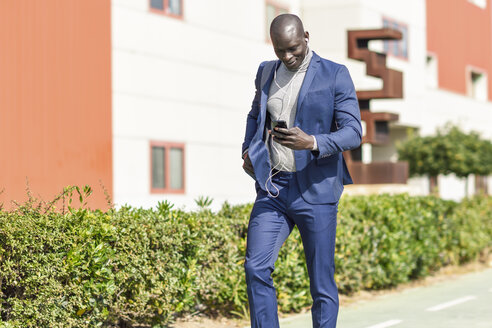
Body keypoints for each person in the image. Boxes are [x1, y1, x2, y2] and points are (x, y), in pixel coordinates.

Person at [241, 14, 362, 328]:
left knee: (321, 282)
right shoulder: (266, 72)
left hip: (317, 189)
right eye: (280, 50)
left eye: (293, 48)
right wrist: (247, 149)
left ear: (306, 36)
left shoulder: (336, 74)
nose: (287, 56)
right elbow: (255, 115)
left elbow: (353, 131)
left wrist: (313, 142)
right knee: (256, 267)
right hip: (274, 187)